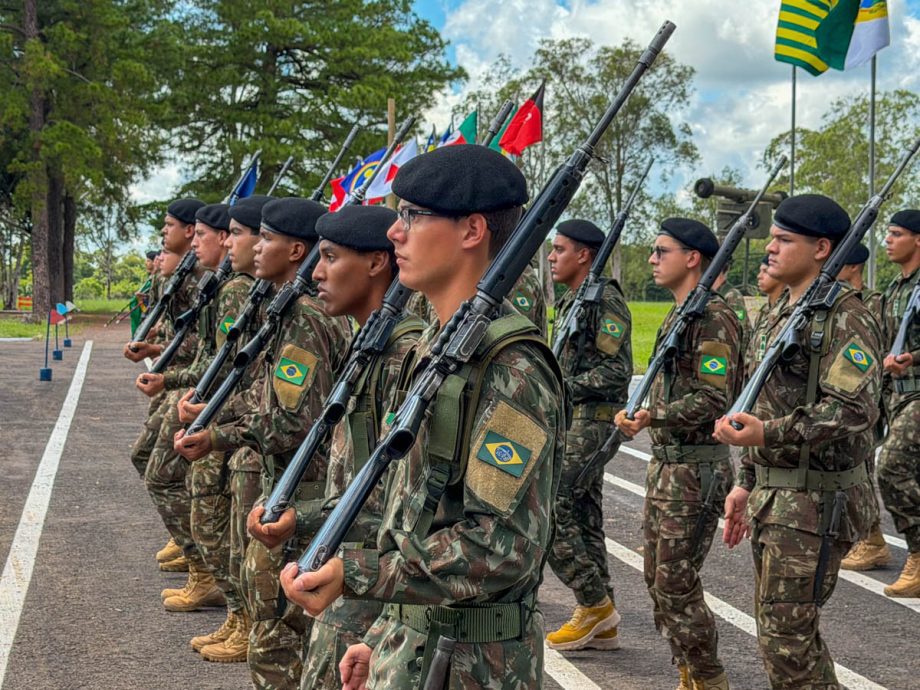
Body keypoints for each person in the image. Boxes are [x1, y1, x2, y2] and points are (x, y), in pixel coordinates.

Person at [280, 144, 566, 689]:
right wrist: (387, 634)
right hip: (420, 644)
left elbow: (503, 547)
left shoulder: (511, 368)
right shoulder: (434, 348)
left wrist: (358, 574)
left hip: (470, 666)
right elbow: (416, 512)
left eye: (412, 215)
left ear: (471, 230)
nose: (394, 231)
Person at [174, 196, 351, 688]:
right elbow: (259, 389)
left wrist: (217, 435)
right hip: (282, 475)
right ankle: (243, 623)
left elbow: (293, 421)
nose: (245, 245)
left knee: (279, 620)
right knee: (265, 601)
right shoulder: (287, 308)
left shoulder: (309, 318)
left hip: (303, 485)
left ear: (297, 250)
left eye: (264, 237)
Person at [715, 194, 881, 689]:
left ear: (822, 248)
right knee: (780, 635)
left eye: (784, 240)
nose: (770, 247)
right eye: (773, 237)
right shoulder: (778, 310)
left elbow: (855, 407)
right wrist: (747, 480)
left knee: (788, 639)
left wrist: (772, 434)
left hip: (817, 501)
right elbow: (763, 401)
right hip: (777, 497)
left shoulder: (847, 317)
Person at [256, 205, 424, 688]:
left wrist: (305, 522)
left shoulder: (401, 358)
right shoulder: (369, 345)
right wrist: (299, 517)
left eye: (329, 256)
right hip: (350, 564)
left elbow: (396, 506)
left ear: (376, 263)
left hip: (372, 581)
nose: (318, 271)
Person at [614, 218, 741, 690]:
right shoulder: (682, 312)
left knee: (674, 581)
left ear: (693, 258)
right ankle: (689, 669)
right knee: (658, 578)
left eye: (660, 250)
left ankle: (708, 677)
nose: (651, 258)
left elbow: (715, 397)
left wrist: (653, 415)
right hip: (670, 464)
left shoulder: (713, 317)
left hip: (696, 467)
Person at [176, 194, 274, 663]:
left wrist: (217, 428)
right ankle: (237, 614)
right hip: (235, 425)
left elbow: (267, 389)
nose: (238, 245)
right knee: (233, 538)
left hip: (248, 435)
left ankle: (246, 619)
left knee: (244, 545)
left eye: (239, 233)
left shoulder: (252, 293)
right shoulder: (248, 291)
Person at [545, 219, 632, 651]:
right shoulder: (573, 299)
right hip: (574, 417)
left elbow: (617, 371)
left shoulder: (605, 300)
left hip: (594, 419)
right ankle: (604, 618)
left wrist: (560, 386)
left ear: (584, 255)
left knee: (551, 500)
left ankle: (592, 601)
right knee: (583, 514)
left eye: (559, 249)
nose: (551, 256)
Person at [125, 198, 205, 571]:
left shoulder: (201, 277)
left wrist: (159, 354)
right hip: (176, 379)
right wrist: (156, 344)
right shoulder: (182, 272)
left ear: (189, 231)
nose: (163, 232)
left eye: (169, 225)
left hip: (188, 383)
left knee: (164, 471)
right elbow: (181, 331)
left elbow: (202, 343)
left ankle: (201, 559)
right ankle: (187, 539)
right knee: (151, 461)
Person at [838, 243, 890, 572]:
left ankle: (871, 540)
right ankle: (864, 535)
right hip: (850, 392)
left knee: (863, 468)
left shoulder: (873, 303)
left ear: (853, 267)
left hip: (869, 395)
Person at [876, 210, 920, 594]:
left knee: (891, 467)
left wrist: (913, 358)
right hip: (896, 394)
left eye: (896, 233)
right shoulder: (895, 287)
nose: (887, 240)